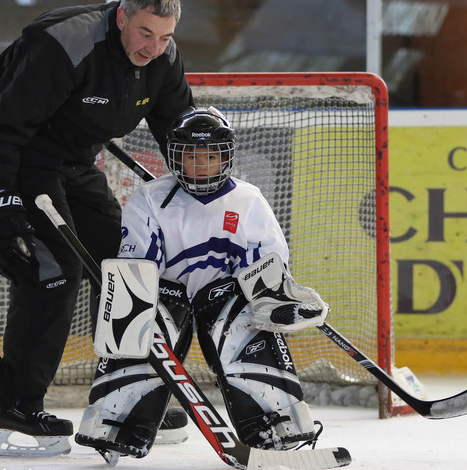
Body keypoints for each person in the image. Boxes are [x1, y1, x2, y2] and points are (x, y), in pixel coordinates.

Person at [0, 0, 194, 457]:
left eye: (165, 36)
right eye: (145, 33)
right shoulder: (64, 43)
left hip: (77, 163)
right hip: (25, 160)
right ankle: (13, 406)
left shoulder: (163, 56)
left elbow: (179, 130)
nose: (154, 47)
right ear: (121, 17)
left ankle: (126, 395)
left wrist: (202, 188)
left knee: (127, 268)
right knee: (53, 270)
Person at [74, 107, 330, 463]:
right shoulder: (149, 197)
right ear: (175, 157)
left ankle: (279, 427)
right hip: (166, 298)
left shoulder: (248, 199)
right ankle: (115, 426)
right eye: (191, 156)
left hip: (225, 298)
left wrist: (278, 302)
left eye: (210, 156)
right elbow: (138, 270)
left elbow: (263, 271)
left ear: (226, 157)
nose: (201, 165)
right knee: (140, 321)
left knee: (245, 324)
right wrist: (131, 313)